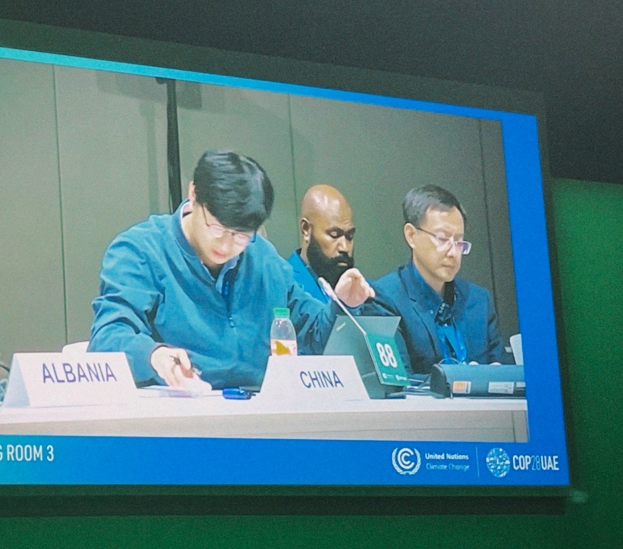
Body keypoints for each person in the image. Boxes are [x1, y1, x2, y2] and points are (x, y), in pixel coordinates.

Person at [89, 149, 374, 390]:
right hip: (180, 416)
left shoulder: (263, 259)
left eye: (241, 236)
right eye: (217, 228)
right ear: (194, 194)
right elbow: (108, 335)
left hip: (260, 414)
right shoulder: (141, 251)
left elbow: (312, 334)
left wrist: (342, 305)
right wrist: (153, 355)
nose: (226, 246)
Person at [370, 185, 511, 375]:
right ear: (411, 235)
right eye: (443, 239)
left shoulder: (478, 300)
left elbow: (506, 375)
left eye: (459, 241)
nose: (453, 253)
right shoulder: (385, 298)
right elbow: (400, 382)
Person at [288, 184, 356, 303]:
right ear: (306, 229)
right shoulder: (284, 284)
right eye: (334, 235)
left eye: (349, 236)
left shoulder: (359, 291)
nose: (345, 247)